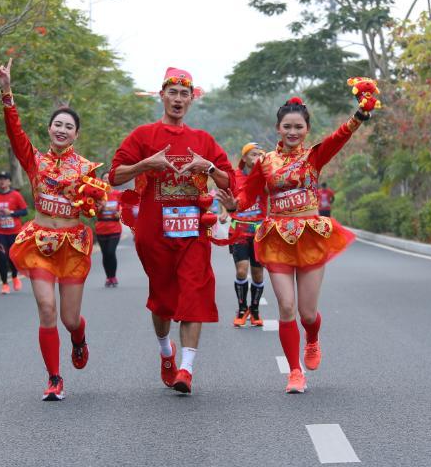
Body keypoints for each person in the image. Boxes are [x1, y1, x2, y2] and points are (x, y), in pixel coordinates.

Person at [218, 93, 375, 394]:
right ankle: (294, 372)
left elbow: (340, 136)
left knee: (307, 314)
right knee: (286, 307)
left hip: (310, 236)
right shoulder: (265, 162)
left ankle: (312, 339)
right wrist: (234, 205)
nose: (292, 132)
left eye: (298, 127)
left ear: (307, 129)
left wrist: (359, 115)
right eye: (287, 126)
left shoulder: (314, 156)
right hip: (277, 237)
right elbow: (249, 194)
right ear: (278, 128)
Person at [109, 66, 235, 394]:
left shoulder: (202, 140)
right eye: (173, 93)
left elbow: (228, 180)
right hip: (154, 233)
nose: (178, 99)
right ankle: (167, 352)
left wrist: (208, 167)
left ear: (192, 100)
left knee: (194, 292)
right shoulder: (143, 136)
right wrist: (145, 164)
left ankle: (186, 369)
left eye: (184, 94)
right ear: (162, 96)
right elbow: (115, 175)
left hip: (193, 232)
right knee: (162, 299)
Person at [0, 58, 102, 401]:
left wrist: (94, 201)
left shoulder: (86, 168)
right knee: (46, 308)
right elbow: (15, 132)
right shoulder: (35, 161)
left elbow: (96, 205)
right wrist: (6, 91)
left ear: (76, 134)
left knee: (69, 319)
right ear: (49, 129)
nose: (61, 130)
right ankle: (55, 378)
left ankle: (78, 337)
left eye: (68, 127)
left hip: (72, 247)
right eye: (57, 124)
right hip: (39, 243)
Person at [228, 142, 267, 327]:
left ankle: (255, 309)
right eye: (253, 154)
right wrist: (225, 211)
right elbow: (228, 197)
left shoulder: (266, 176)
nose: (257, 158)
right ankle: (242, 309)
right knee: (242, 271)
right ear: (244, 157)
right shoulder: (234, 177)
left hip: (260, 231)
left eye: (260, 154)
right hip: (239, 231)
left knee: (258, 275)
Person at [0, 172, 28, 294]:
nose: (2, 181)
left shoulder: (16, 195)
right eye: (0, 179)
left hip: (14, 232)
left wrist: (11, 213)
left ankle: (14, 277)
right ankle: (4, 284)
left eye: (4, 179)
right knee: (2, 258)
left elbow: (24, 211)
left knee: (13, 257)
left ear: (9, 182)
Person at [95, 170, 123, 287]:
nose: (106, 180)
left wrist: (119, 214)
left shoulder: (117, 194)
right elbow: (92, 210)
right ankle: (108, 277)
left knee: (111, 252)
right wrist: (100, 207)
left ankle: (113, 276)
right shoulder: (97, 195)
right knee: (105, 254)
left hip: (114, 228)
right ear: (101, 181)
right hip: (101, 228)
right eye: (104, 178)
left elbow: (123, 208)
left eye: (108, 178)